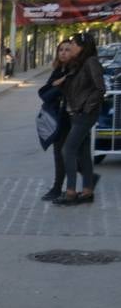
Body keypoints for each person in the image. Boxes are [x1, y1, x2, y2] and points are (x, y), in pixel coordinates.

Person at [54, 31, 106, 205]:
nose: (71, 47)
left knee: (67, 150)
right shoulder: (78, 64)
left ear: (83, 47)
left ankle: (70, 192)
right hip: (75, 113)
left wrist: (86, 107)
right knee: (83, 153)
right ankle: (87, 190)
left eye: (74, 44)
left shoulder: (91, 62)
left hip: (84, 113)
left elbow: (100, 89)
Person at [38, 41, 73, 201]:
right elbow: (44, 93)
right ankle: (87, 179)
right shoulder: (59, 70)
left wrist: (57, 85)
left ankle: (59, 188)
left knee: (64, 153)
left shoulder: (75, 70)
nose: (63, 53)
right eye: (61, 50)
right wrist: (58, 84)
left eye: (67, 50)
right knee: (61, 152)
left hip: (72, 116)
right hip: (59, 116)